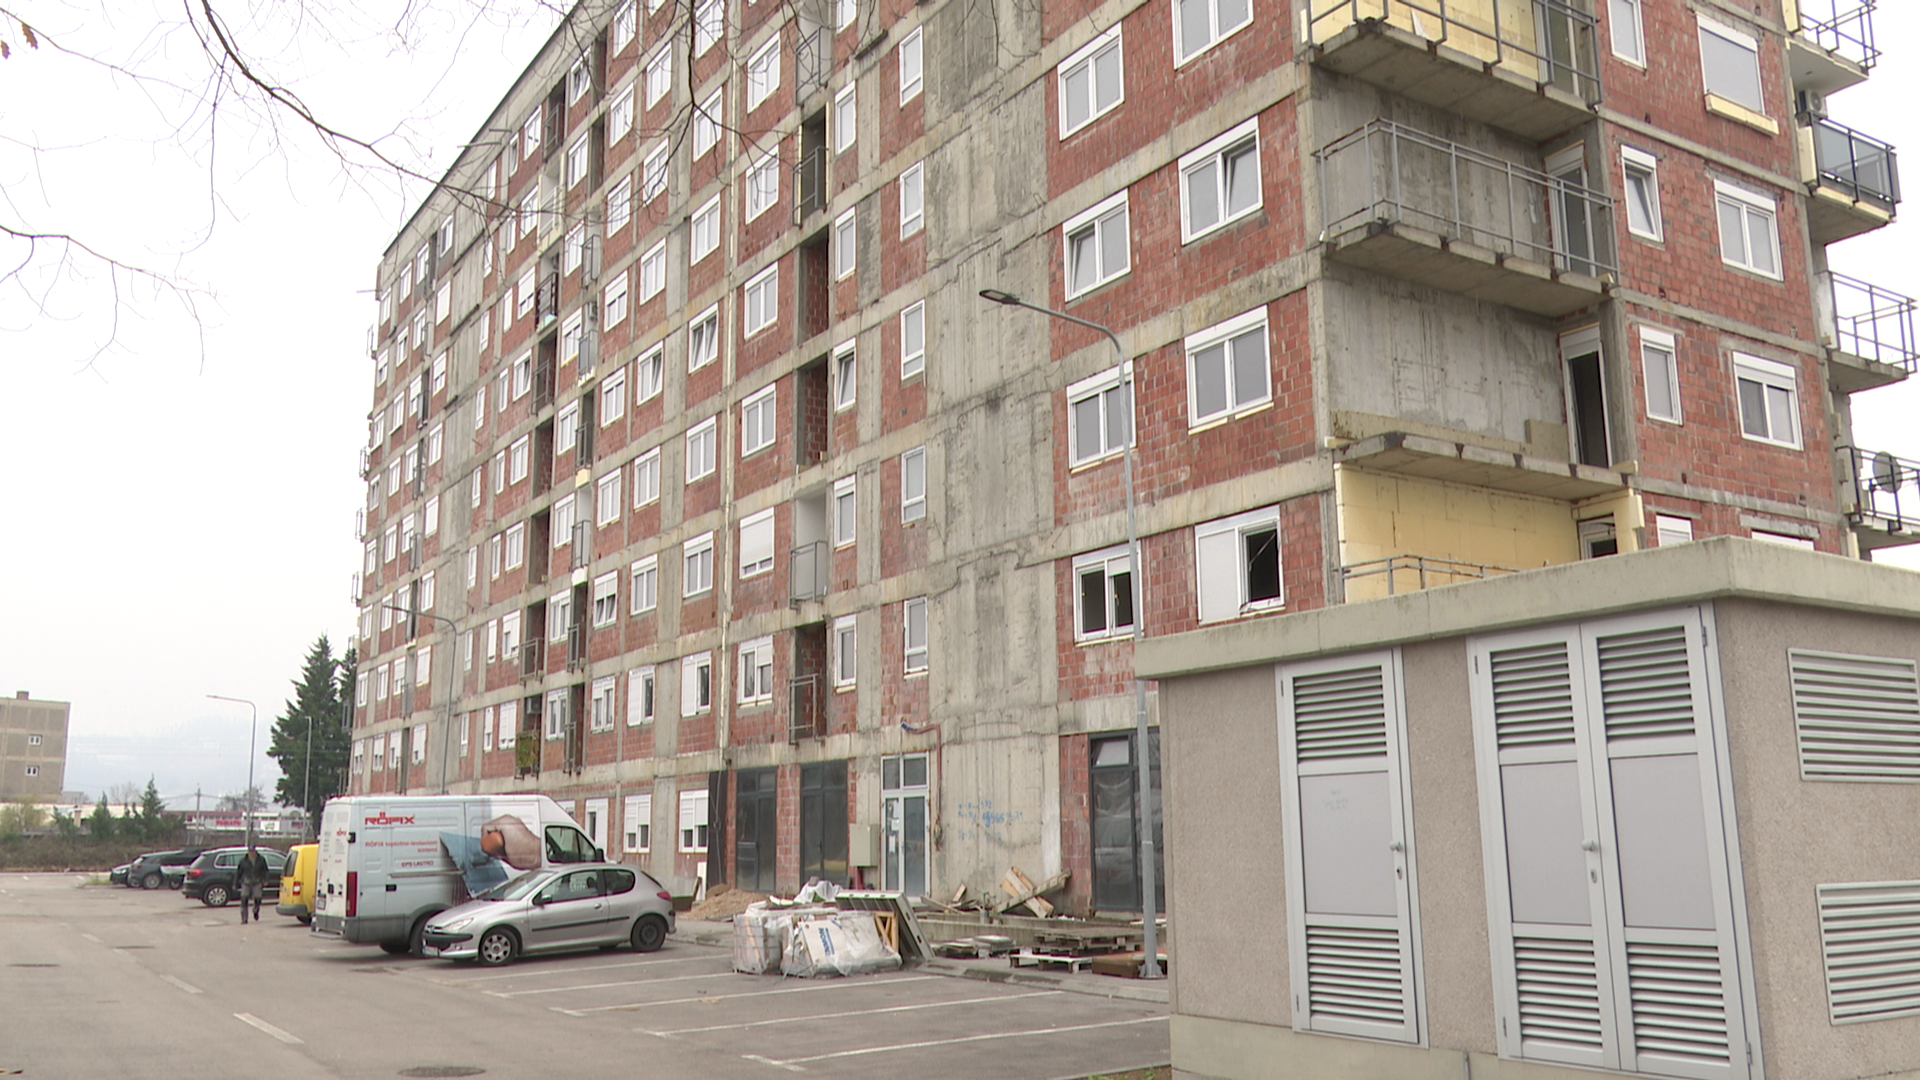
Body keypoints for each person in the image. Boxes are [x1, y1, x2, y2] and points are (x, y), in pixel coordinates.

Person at [235, 846, 270, 924]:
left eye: (253, 851)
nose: (251, 853)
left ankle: (256, 909)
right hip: (246, 882)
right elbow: (238, 872)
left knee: (258, 898)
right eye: (250, 851)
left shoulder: (261, 860)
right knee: (244, 899)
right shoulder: (243, 861)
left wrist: (266, 880)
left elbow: (265, 871)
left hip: (257, 881)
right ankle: (244, 918)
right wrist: (235, 883)